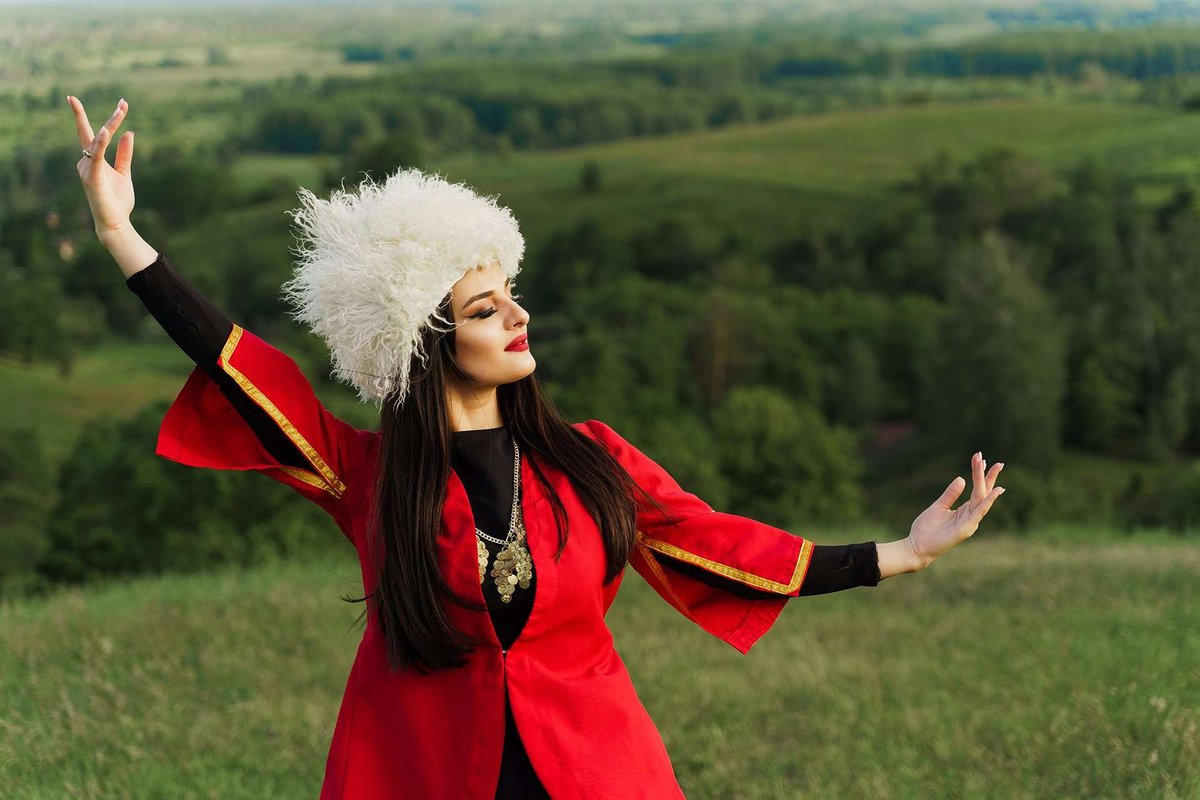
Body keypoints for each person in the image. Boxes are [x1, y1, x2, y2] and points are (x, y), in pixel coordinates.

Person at [68, 95, 1006, 800]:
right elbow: (247, 376)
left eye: (511, 294)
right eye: (486, 309)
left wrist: (903, 553)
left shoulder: (590, 461)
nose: (518, 316)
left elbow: (719, 544)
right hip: (425, 771)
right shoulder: (370, 479)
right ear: (429, 341)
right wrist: (122, 235)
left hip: (594, 769)